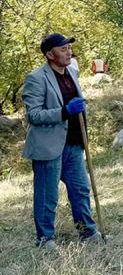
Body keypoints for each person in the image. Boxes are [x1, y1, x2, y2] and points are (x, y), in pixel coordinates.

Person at [21, 33, 102, 250]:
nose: (68, 52)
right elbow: (34, 115)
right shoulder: (36, 78)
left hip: (74, 144)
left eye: (68, 48)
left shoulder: (72, 72)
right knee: (48, 195)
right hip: (49, 147)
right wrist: (65, 111)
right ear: (50, 54)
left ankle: (87, 231)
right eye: (63, 48)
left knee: (81, 190)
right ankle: (45, 239)